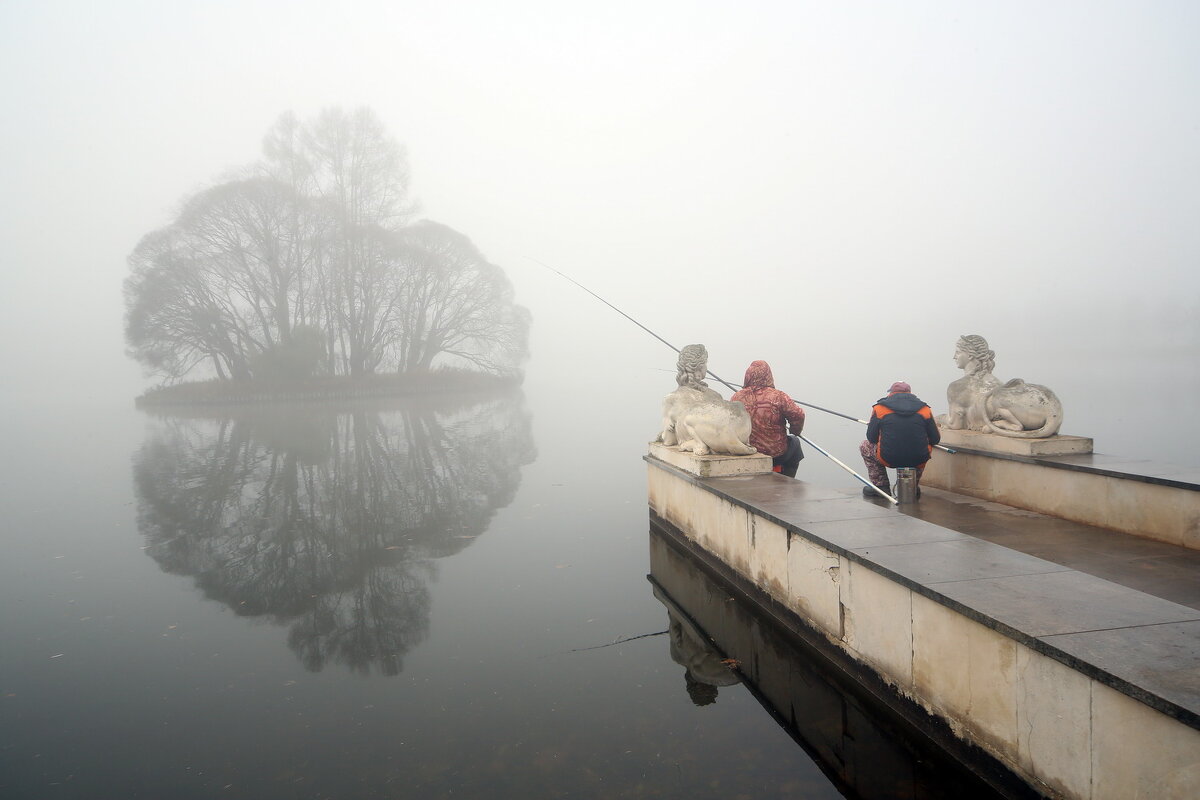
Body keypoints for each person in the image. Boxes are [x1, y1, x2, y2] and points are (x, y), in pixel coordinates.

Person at [860, 381, 940, 498]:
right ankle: (912, 486)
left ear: (891, 393)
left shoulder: (879, 408)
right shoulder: (925, 409)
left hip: (888, 458)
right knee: (923, 447)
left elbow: (871, 438)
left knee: (865, 445)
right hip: (918, 459)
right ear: (910, 393)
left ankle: (881, 487)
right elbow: (935, 439)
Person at [731, 360, 805, 477]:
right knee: (795, 442)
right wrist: (795, 430)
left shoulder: (737, 396)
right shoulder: (778, 396)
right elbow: (798, 415)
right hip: (775, 455)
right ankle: (788, 480)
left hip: (747, 451)